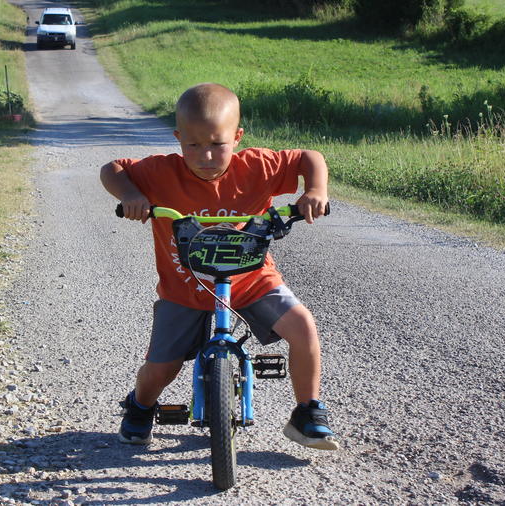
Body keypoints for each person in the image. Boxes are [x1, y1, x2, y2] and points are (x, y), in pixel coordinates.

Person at [99, 83, 339, 450]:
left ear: (237, 137)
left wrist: (316, 189)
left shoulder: (256, 167)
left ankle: (307, 411)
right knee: (163, 367)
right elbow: (112, 169)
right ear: (178, 138)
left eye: (217, 144)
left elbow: (310, 157)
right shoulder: (161, 173)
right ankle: (140, 406)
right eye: (192, 145)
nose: (205, 155)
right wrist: (131, 195)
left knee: (303, 326)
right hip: (184, 287)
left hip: (251, 278)